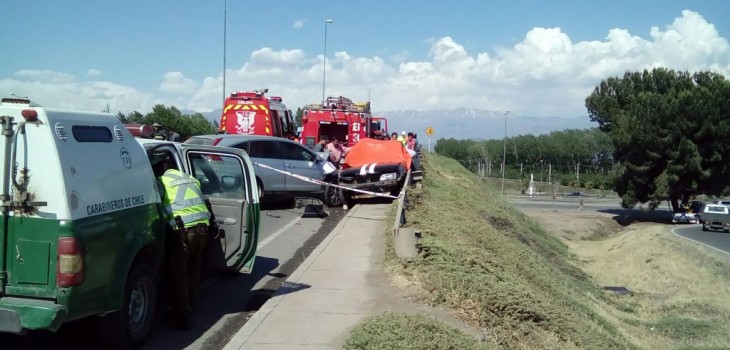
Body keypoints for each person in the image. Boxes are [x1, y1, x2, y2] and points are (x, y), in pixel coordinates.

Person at [153, 156, 212, 330]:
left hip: (183, 232)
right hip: (203, 230)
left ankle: (182, 317)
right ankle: (190, 305)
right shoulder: (192, 179)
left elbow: (156, 203)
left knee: (178, 275)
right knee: (194, 270)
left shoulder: (161, 181)